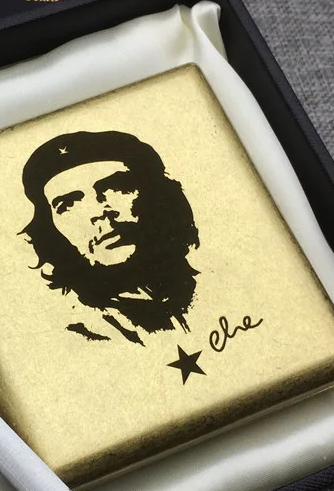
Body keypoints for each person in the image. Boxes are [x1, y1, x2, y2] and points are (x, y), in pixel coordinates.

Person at [20, 130, 200, 345]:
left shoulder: (207, 287)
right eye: (67, 204)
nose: (98, 212)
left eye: (116, 187)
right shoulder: (78, 332)